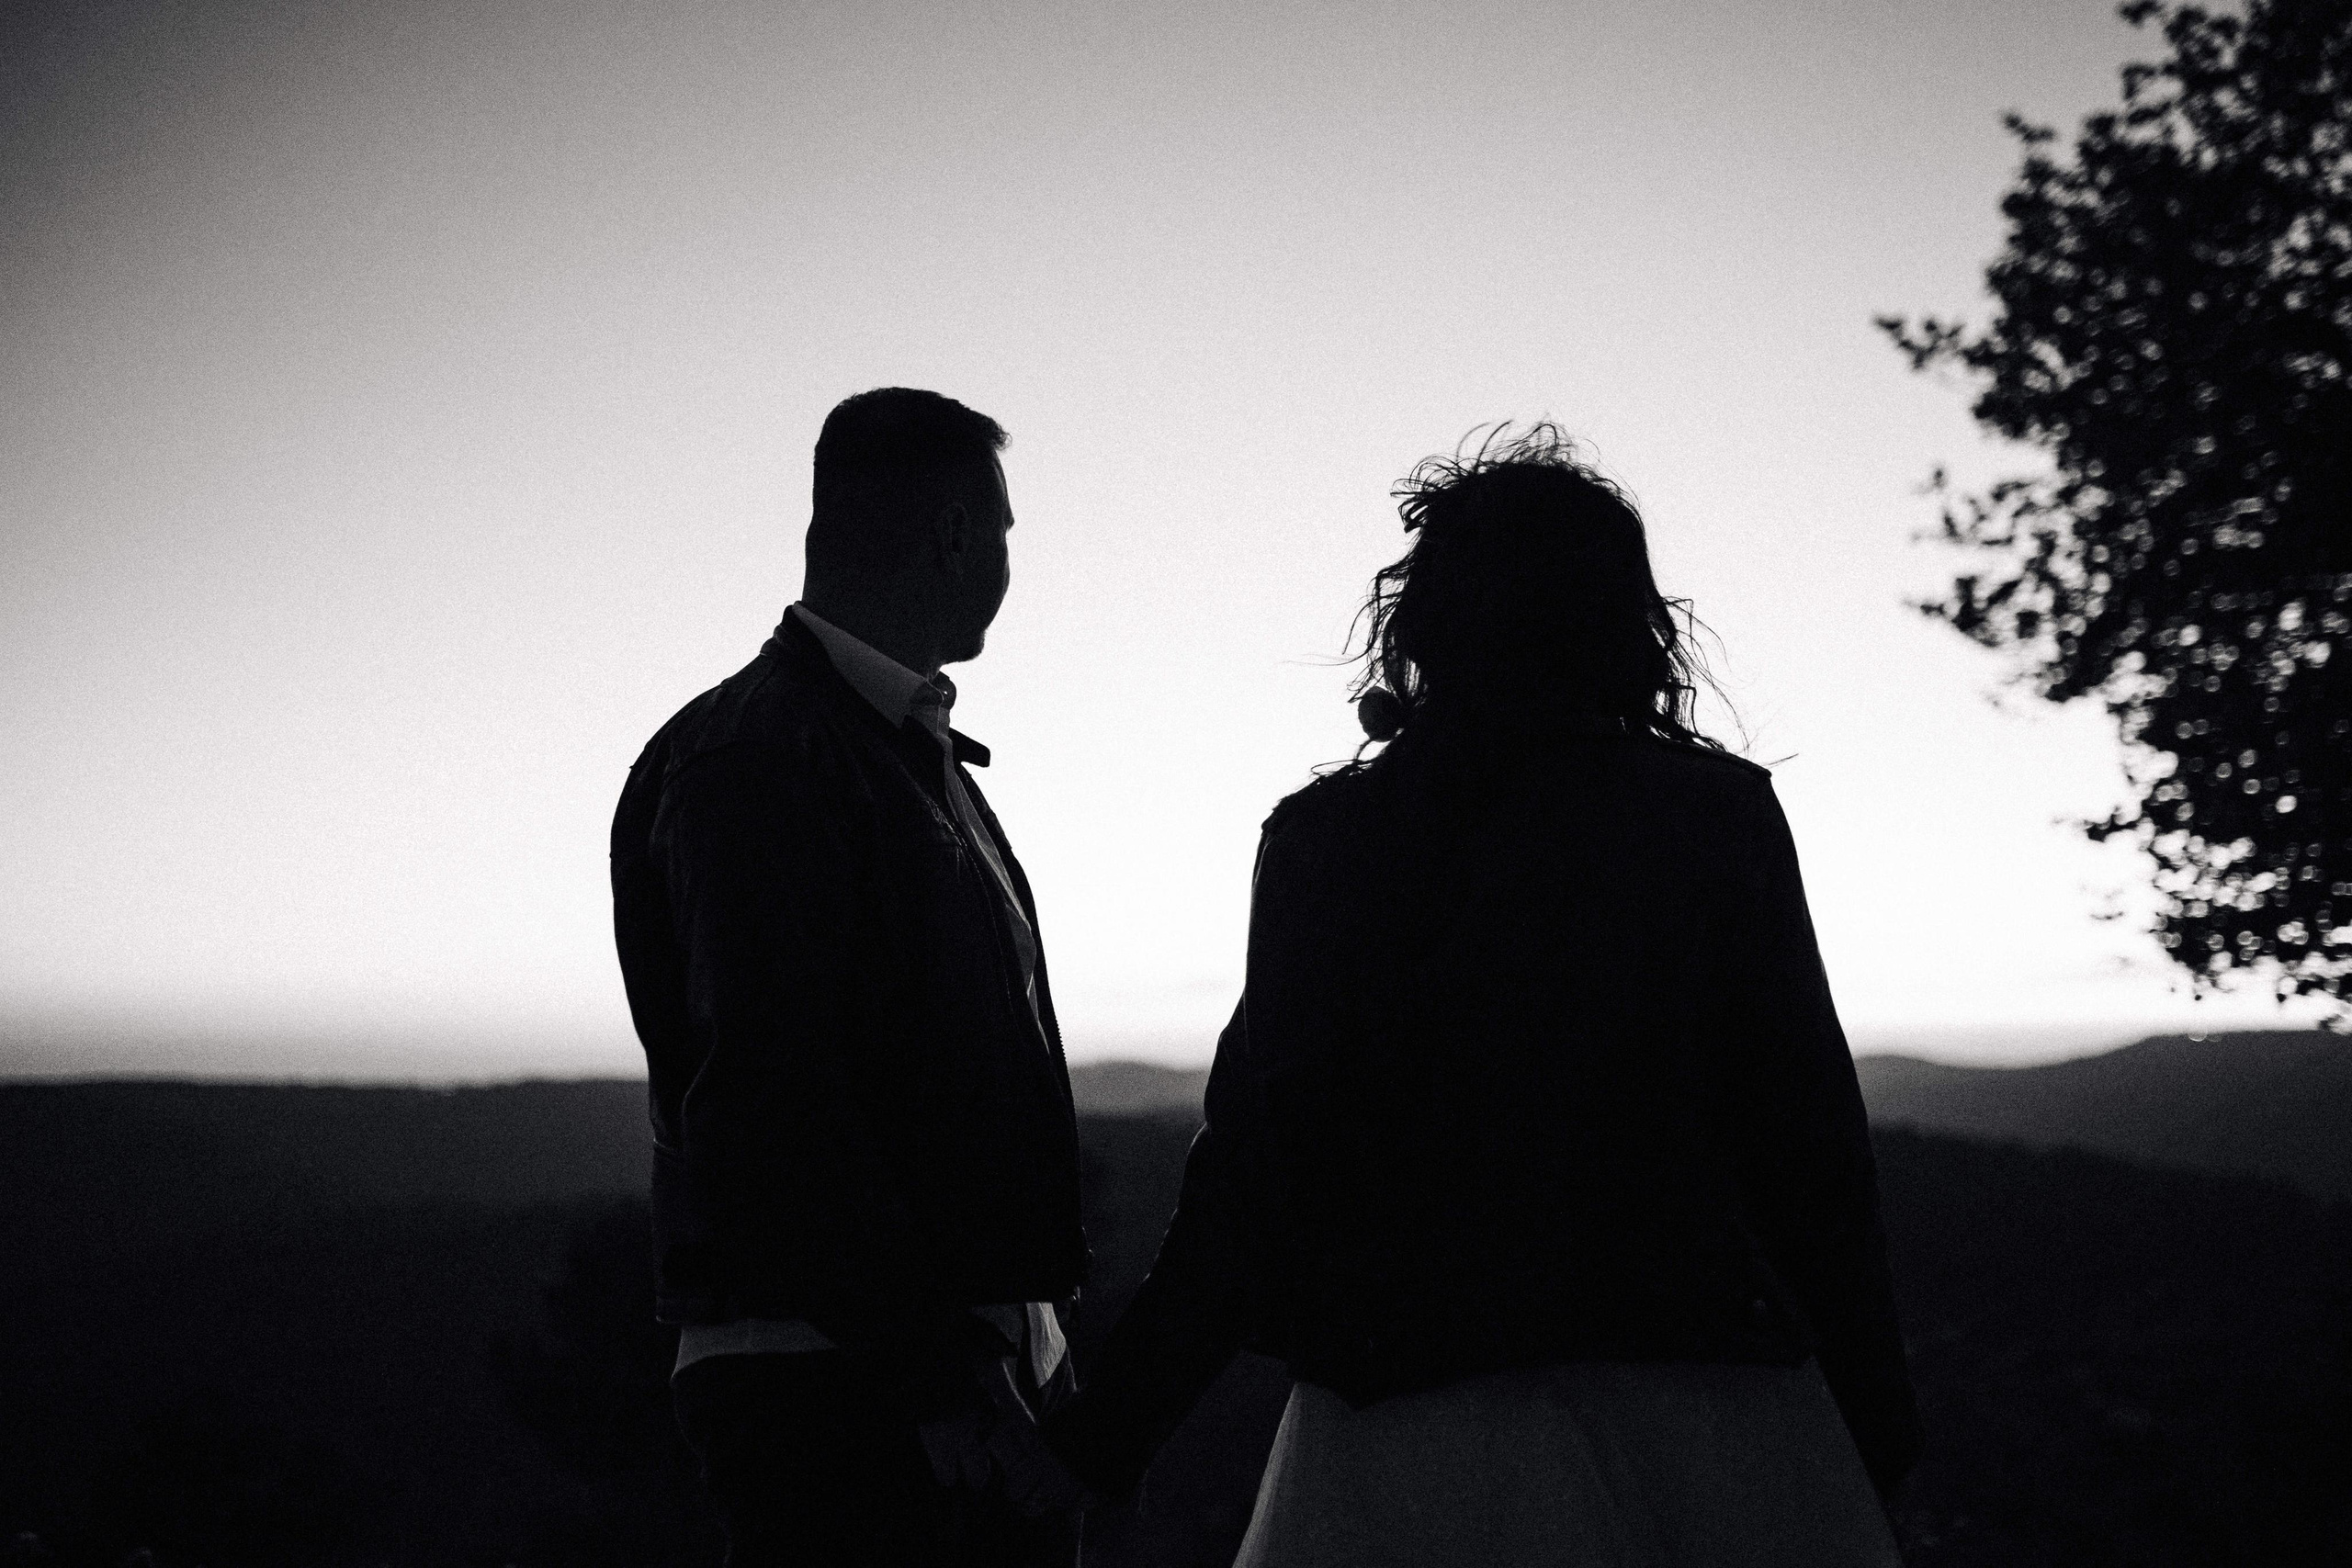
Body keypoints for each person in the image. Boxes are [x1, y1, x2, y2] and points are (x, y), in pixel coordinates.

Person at [1044, 424, 1922, 1565]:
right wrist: (1875, 1430)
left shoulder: (1327, 841)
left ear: (1424, 623)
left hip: (1412, 1434)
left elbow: (1252, 1178)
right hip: (1713, 1414)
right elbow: (1809, 1153)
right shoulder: (1715, 818)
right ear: (1624, 624)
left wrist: (1104, 1443)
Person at [610, 388, 1089, 1566]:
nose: (1010, 562)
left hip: (927, 1372)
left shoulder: (900, 753)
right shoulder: (761, 759)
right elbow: (767, 1105)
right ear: (953, 534)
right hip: (842, 1395)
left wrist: (1028, 1343)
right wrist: (933, 1372)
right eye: (1007, 530)